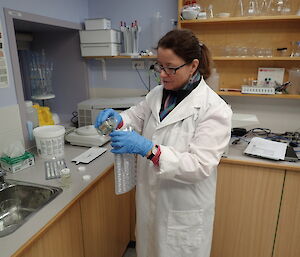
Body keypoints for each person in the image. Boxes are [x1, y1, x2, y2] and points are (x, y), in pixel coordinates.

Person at [95, 29, 232, 257]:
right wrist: (118, 119)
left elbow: (199, 166)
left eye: (171, 68)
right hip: (151, 204)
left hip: (183, 210)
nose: (163, 74)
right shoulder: (158, 94)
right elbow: (135, 116)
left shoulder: (214, 109)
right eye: (159, 66)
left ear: (193, 65)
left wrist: (149, 150)